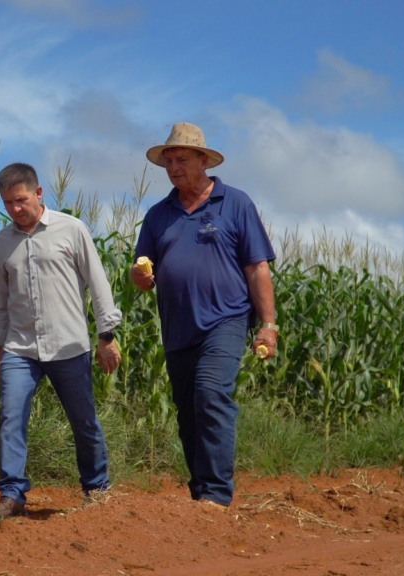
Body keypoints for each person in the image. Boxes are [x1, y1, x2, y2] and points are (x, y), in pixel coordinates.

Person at [130, 122, 278, 511]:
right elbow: (143, 276)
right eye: (169, 161)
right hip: (178, 327)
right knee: (188, 409)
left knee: (211, 394)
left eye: (182, 159)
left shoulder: (235, 203)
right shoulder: (158, 215)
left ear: (203, 160)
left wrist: (268, 326)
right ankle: (200, 492)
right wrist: (140, 275)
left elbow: (257, 268)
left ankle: (215, 494)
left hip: (226, 320)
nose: (174, 167)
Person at [0, 162, 123, 521]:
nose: (15, 209)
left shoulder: (71, 230)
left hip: (68, 346)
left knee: (84, 421)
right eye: (8, 203)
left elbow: (98, 282)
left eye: (21, 200)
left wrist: (107, 335)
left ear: (39, 193)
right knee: (11, 417)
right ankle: (12, 494)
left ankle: (97, 489)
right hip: (19, 347)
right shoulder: (2, 242)